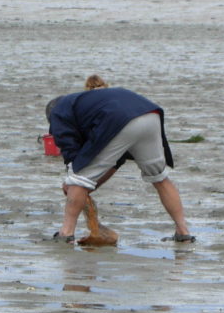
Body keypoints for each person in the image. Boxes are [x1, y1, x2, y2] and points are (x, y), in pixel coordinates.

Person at [45, 87, 194, 242]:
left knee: (78, 179)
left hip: (119, 119)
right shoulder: (87, 107)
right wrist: (90, 186)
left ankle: (65, 234)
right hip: (150, 114)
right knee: (160, 178)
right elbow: (116, 161)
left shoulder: (58, 111)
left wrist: (73, 180)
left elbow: (70, 150)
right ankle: (183, 233)